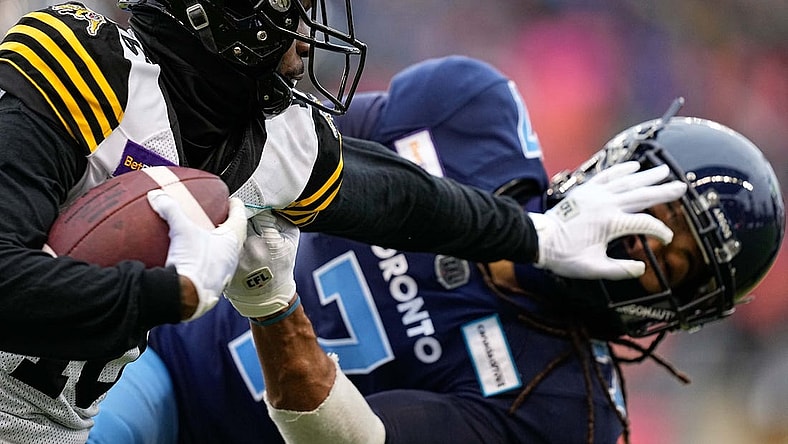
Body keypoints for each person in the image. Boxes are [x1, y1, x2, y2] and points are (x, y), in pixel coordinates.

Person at [0, 2, 687, 443]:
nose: (306, 35)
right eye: (290, 10)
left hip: (60, 423)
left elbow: (401, 200)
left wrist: (536, 234)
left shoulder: (267, 141)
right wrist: (169, 295)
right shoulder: (82, 63)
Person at [89, 55, 784, 444]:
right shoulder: (473, 114)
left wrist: (274, 304)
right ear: (618, 159)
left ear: (682, 312)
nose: (645, 242)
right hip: (165, 353)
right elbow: (281, 144)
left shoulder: (569, 413)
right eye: (652, 210)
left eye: (678, 264)